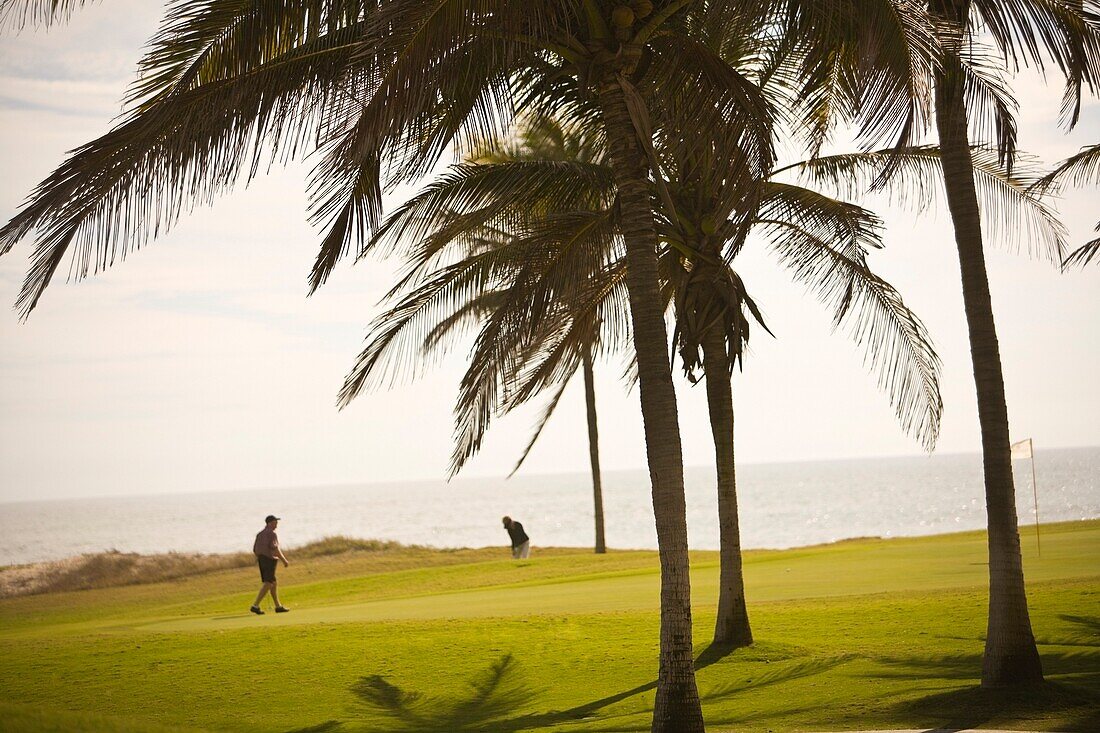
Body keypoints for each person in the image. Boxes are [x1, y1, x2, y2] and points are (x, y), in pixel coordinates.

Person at [251, 515, 290, 614]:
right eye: (274, 523)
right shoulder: (272, 534)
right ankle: (255, 605)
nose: (276, 525)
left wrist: (261, 558)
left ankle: (278, 606)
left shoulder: (260, 534)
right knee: (269, 582)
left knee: (273, 582)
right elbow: (275, 549)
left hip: (261, 559)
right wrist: (284, 560)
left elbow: (255, 549)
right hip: (269, 560)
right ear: (269, 523)